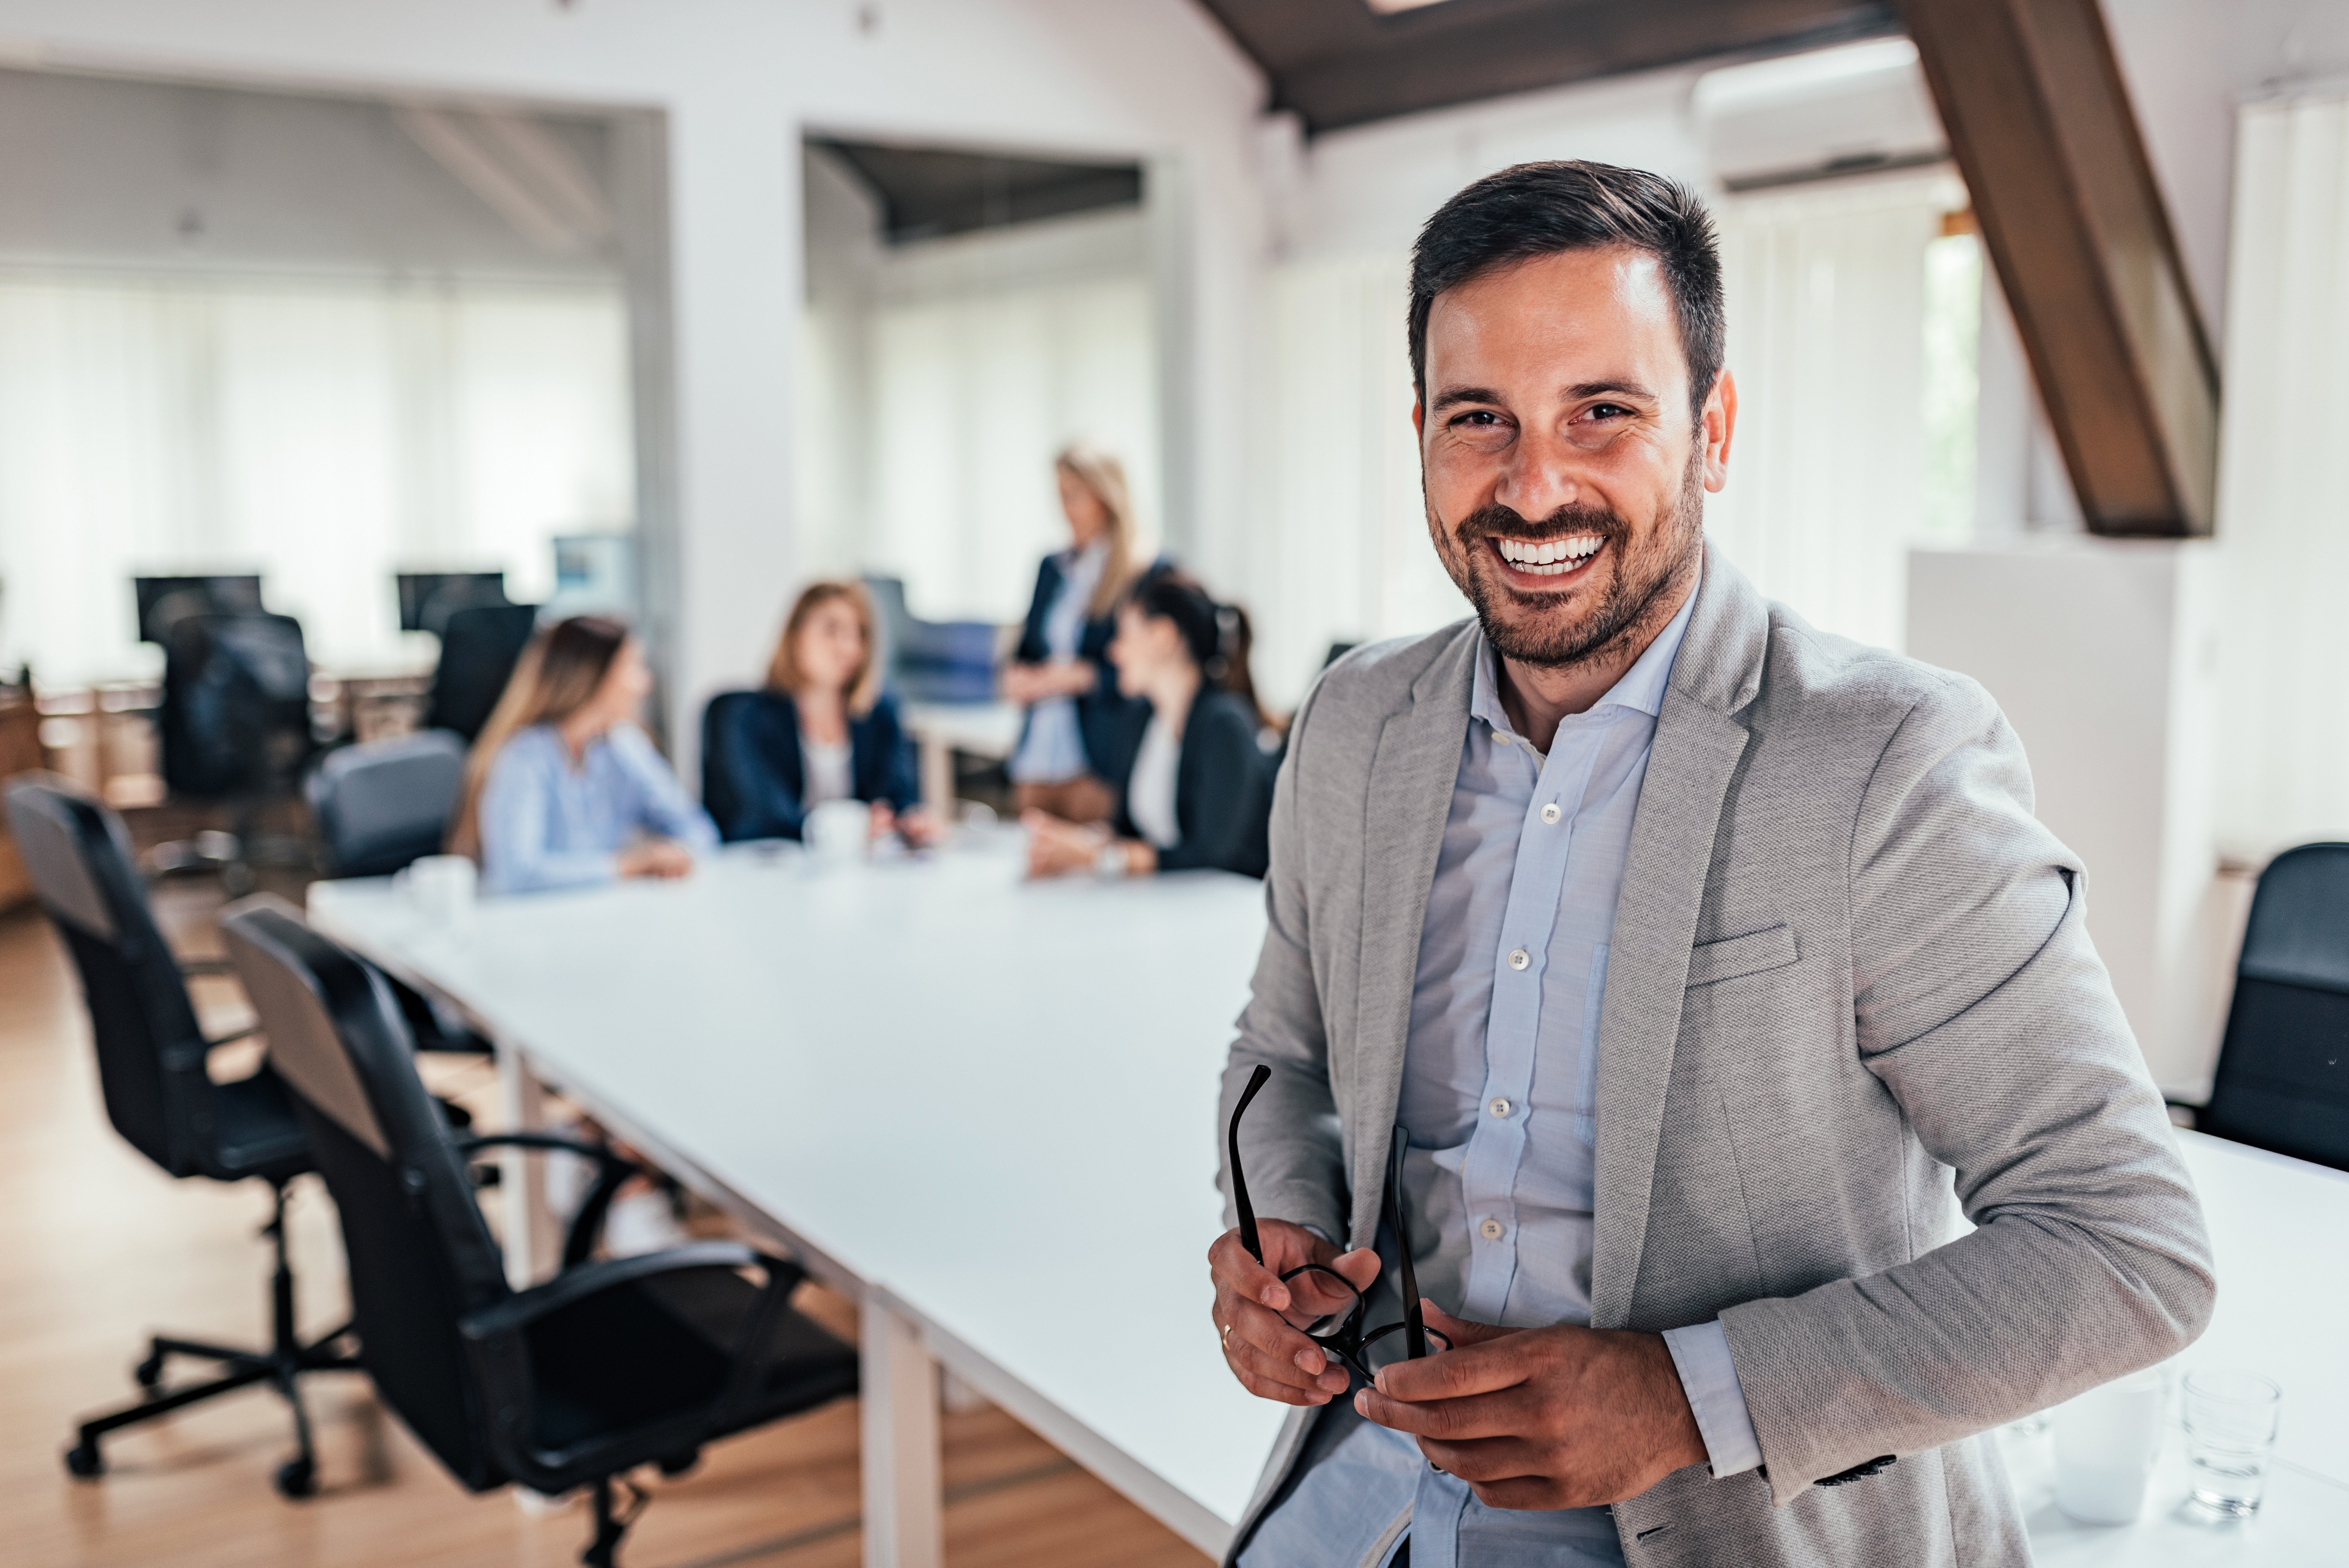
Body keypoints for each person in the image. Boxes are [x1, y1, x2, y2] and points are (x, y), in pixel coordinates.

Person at [1208, 162, 2212, 1568]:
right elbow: (1283, 1055)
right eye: (1475, 420)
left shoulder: (1884, 763)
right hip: (1355, 1499)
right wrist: (1284, 1239)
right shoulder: (1355, 722)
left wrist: (1688, 1398)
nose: (1531, 481)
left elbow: (2124, 1249)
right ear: (1420, 439)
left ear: (1711, 430)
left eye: (1600, 413)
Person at [1025, 569, 1273, 880]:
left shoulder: (1224, 725)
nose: (1114, 652)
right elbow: (1127, 829)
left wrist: (1101, 857)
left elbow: (1213, 857)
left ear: (1163, 637)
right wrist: (1074, 842)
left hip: (1226, 908)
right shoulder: (1142, 719)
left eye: (1124, 635)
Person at [447, 614, 717, 895]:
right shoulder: (524, 757)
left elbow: (697, 829)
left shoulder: (625, 745)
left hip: (601, 910)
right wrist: (625, 867)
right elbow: (517, 874)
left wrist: (676, 854)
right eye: (634, 667)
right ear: (595, 677)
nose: (645, 683)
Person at [708, 580, 937, 846]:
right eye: (832, 630)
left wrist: (911, 821)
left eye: (860, 634)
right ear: (795, 634)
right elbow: (759, 816)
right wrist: (851, 828)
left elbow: (899, 796)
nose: (849, 648)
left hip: (854, 874)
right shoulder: (740, 716)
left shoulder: (879, 714)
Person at [999, 443, 1148, 825]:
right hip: (1037, 759)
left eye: (1074, 495)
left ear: (1105, 497)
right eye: (1060, 495)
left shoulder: (1139, 572)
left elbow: (1145, 671)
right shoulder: (1052, 567)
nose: (1065, 508)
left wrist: (1079, 677)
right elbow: (1029, 649)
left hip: (1094, 762)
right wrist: (1017, 676)